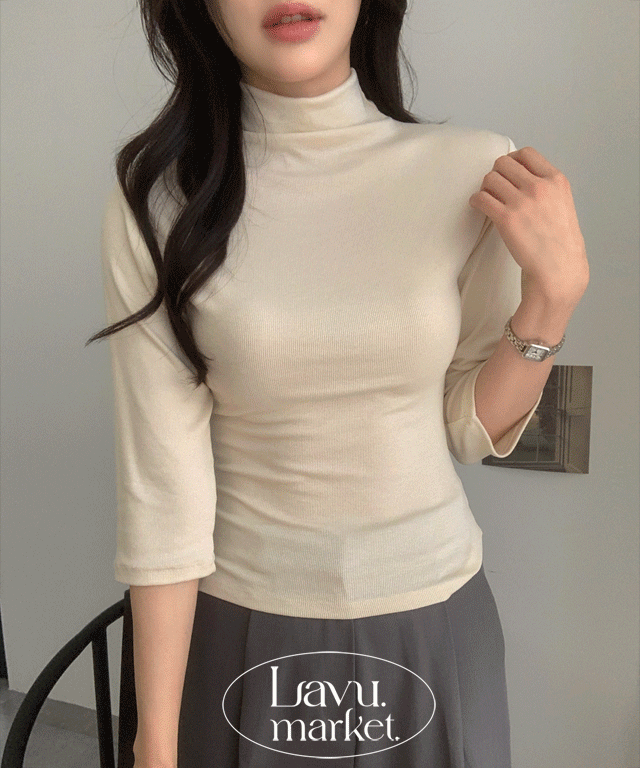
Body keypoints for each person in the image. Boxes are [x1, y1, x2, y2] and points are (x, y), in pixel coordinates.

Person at [87, 0, 589, 766]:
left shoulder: (474, 171)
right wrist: (154, 743)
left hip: (434, 620)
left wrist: (552, 298)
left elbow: (467, 428)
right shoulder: (160, 197)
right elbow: (164, 494)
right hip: (242, 627)